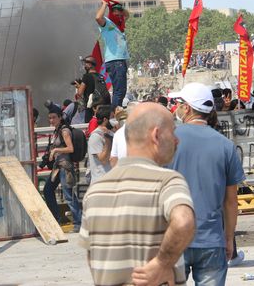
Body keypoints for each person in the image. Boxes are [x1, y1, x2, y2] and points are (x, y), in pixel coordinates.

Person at [80, 103, 195, 286]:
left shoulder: (94, 192)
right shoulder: (168, 182)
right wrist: (162, 264)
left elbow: (91, 256)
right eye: (173, 132)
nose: (176, 140)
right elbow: (184, 221)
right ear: (156, 135)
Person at [170, 82, 245, 285]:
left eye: (178, 103)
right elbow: (230, 202)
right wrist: (229, 238)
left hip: (174, 238)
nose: (176, 107)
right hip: (212, 239)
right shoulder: (226, 146)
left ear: (187, 108)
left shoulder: (168, 141)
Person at [42, 105, 81, 232]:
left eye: (54, 117)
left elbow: (71, 148)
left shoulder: (64, 131)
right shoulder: (56, 131)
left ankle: (78, 223)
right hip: (57, 167)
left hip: (65, 167)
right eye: (49, 118)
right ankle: (56, 219)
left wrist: (56, 150)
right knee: (48, 190)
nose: (51, 120)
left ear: (60, 117)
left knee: (69, 195)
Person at [96, 0, 130, 108]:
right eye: (116, 11)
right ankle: (115, 113)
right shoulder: (107, 23)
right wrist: (105, 5)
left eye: (120, 11)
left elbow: (127, 14)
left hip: (121, 60)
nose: (119, 14)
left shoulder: (119, 26)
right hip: (115, 61)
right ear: (111, 11)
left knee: (121, 90)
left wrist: (119, 6)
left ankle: (115, 111)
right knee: (119, 91)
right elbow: (98, 18)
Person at [74, 56, 110, 123]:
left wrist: (78, 86)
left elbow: (79, 93)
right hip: (102, 107)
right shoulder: (100, 76)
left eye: (86, 63)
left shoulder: (86, 76)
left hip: (91, 109)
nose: (85, 65)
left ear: (90, 65)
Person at [87, 105, 113, 184]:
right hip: (100, 182)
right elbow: (103, 160)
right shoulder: (95, 136)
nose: (114, 120)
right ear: (105, 119)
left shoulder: (112, 134)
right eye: (112, 118)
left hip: (110, 180)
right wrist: (108, 141)